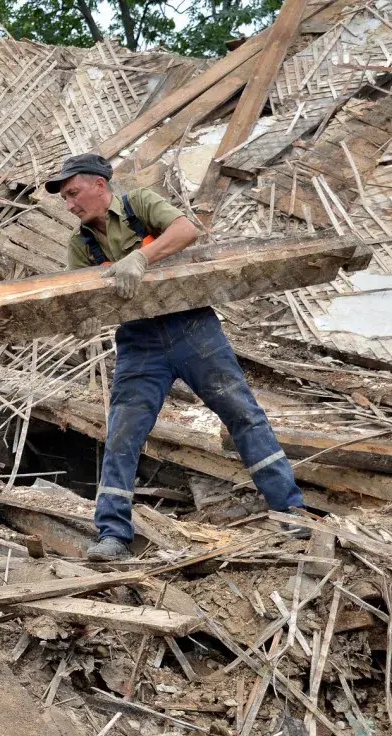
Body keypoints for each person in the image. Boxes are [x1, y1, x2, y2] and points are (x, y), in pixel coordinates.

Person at [45, 153, 308, 562]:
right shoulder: (79, 244)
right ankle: (113, 536)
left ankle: (291, 512)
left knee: (243, 414)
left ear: (100, 185)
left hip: (192, 328)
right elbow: (82, 297)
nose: (71, 204)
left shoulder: (140, 205)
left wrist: (141, 257)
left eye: (74, 193)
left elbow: (188, 229)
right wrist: (81, 316)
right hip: (139, 342)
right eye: (64, 199)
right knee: (122, 435)